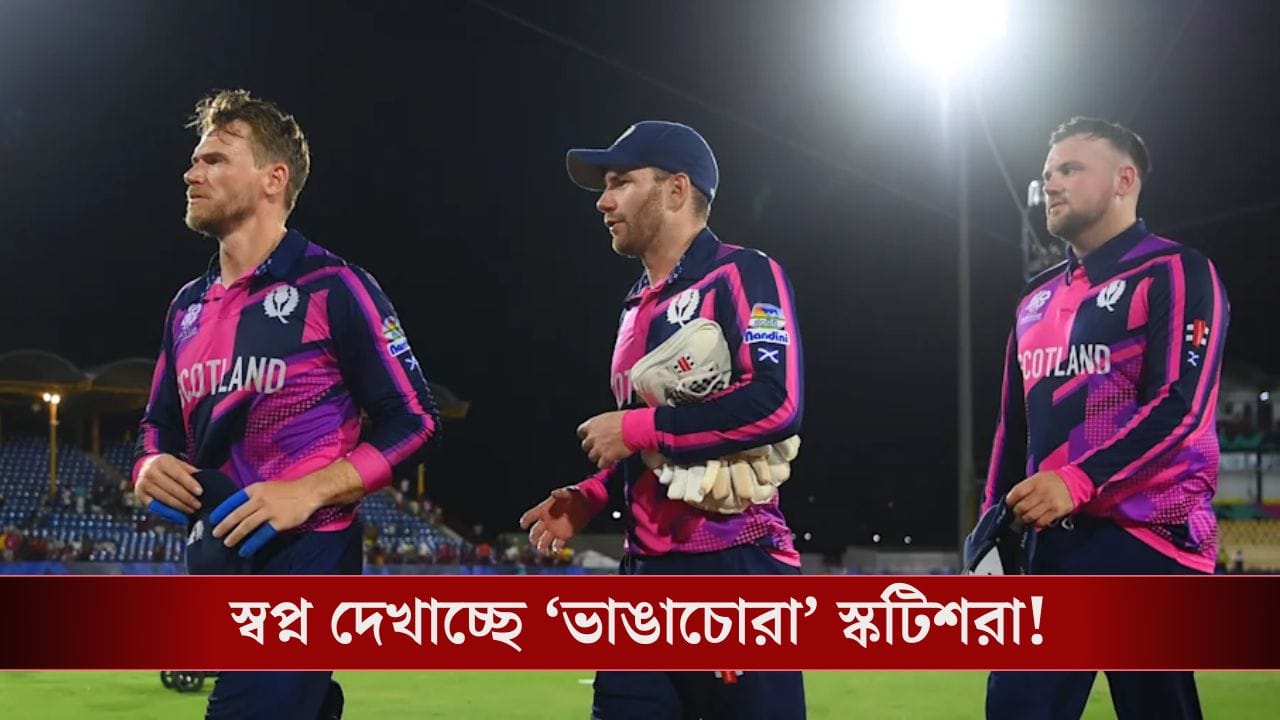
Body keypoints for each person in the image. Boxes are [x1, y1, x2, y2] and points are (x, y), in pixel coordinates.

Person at [132, 89, 438, 720]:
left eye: (215, 159)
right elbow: (158, 423)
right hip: (216, 558)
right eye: (195, 160)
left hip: (308, 555)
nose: (192, 173)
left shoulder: (335, 287)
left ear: (273, 179)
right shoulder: (186, 307)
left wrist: (308, 491)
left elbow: (414, 419)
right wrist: (148, 464)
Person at [519, 121, 805, 720]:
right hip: (644, 578)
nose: (604, 201)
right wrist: (591, 495)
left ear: (676, 190)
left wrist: (635, 429)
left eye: (620, 182)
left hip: (736, 568)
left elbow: (778, 403)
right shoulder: (633, 306)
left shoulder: (742, 272)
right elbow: (647, 447)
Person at [983, 117, 1228, 720]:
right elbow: (1015, 429)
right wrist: (990, 526)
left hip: (1149, 539)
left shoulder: (1176, 271)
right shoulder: (1033, 299)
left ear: (1124, 180)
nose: (1050, 184)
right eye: (1048, 174)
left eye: (1070, 169)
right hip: (1051, 545)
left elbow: (1182, 404)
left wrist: (1076, 480)